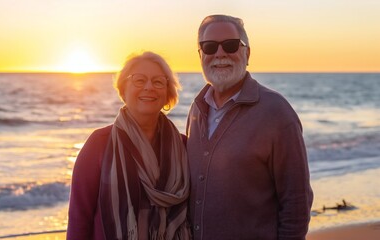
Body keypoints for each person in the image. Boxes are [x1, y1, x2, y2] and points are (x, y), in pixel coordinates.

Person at [186, 14, 313, 239]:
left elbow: (296, 201)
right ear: (200, 55)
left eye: (231, 45)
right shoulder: (196, 110)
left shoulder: (277, 112)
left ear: (247, 52)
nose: (220, 53)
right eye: (209, 47)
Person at [67, 51, 191, 240]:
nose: (149, 87)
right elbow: (79, 219)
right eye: (139, 80)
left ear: (168, 94)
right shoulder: (99, 143)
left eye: (158, 81)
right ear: (123, 89)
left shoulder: (184, 147)